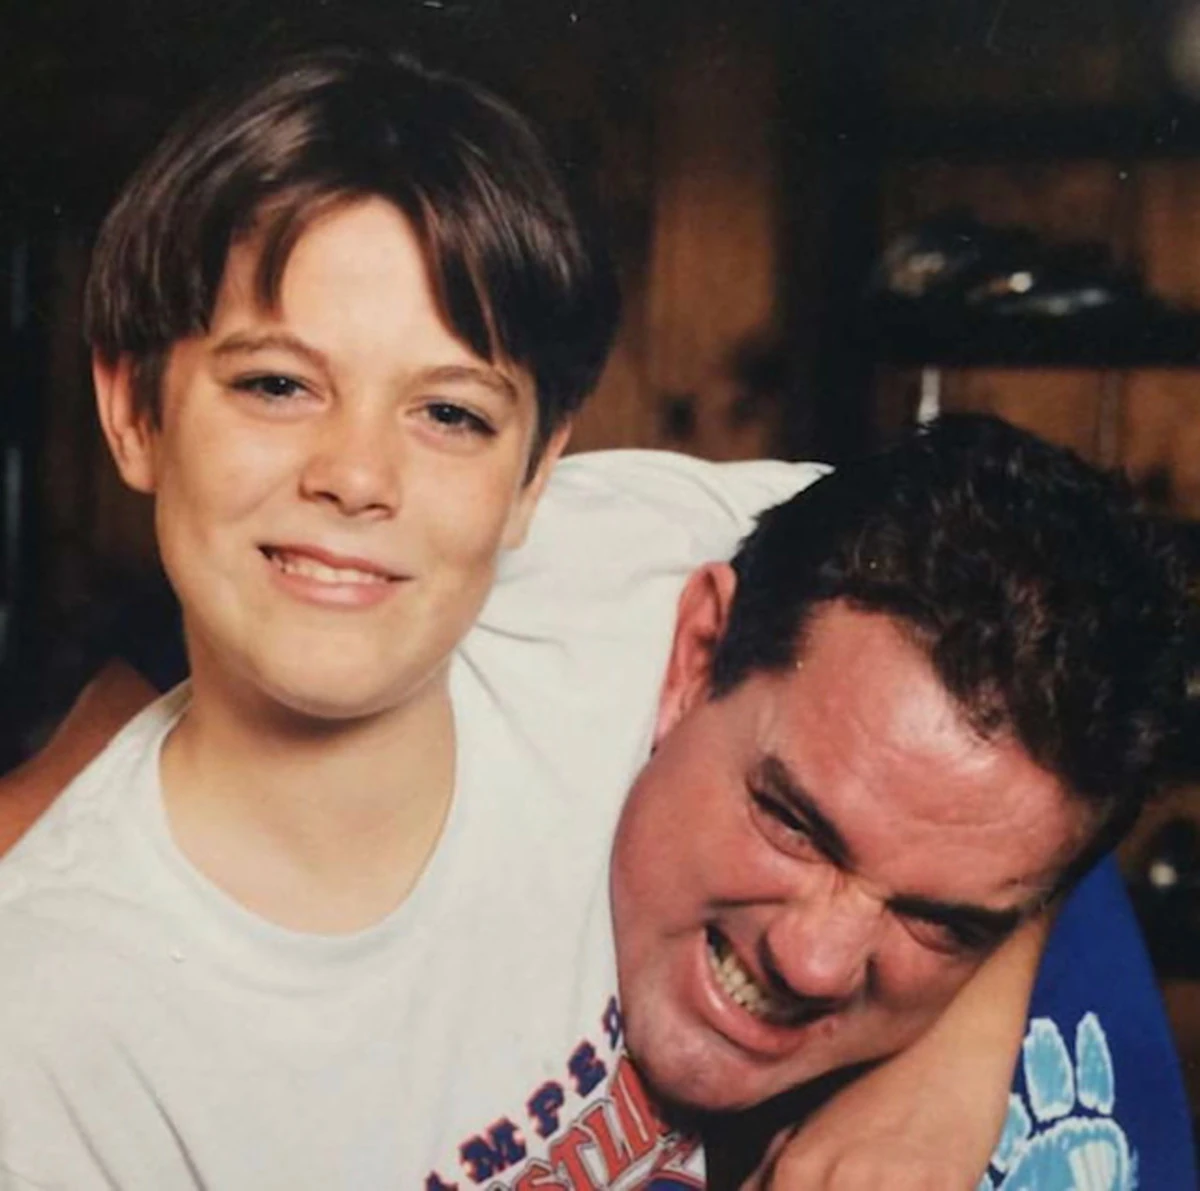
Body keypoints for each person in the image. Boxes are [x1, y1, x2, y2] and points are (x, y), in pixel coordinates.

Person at [0, 45, 1192, 1191]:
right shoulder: (59, 1033)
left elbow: (1045, 646)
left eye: (452, 414)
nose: (358, 476)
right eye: (276, 384)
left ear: (535, 471)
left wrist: (953, 1055)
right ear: (134, 411)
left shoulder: (606, 560)